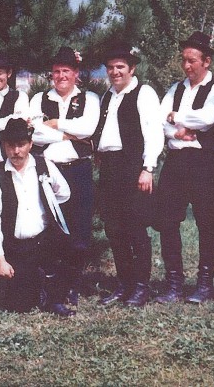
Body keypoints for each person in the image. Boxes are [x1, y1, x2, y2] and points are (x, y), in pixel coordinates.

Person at [154, 32, 214, 304]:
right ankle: (174, 283)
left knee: (207, 222)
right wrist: (178, 132)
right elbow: (159, 120)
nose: (186, 66)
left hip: (204, 161)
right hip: (176, 160)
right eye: (184, 60)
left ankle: (204, 283)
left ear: (206, 61)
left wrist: (176, 116)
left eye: (192, 61)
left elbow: (208, 118)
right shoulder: (175, 89)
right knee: (167, 221)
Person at [92, 41, 164, 307]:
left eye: (120, 67)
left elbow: (154, 132)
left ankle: (141, 287)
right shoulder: (107, 96)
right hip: (110, 167)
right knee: (114, 228)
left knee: (135, 228)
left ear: (132, 69)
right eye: (111, 67)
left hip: (132, 166)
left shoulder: (143, 93)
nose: (115, 72)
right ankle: (124, 284)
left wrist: (148, 168)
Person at [0, 118, 75, 317]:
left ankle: (54, 298)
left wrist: (47, 206)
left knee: (56, 273)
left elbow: (64, 193)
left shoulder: (44, 165)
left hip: (44, 240)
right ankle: (33, 289)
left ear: (30, 144)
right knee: (20, 305)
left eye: (21, 144)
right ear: (4, 146)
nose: (16, 151)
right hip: (16, 246)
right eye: (11, 145)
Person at [29, 46, 100, 305]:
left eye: (66, 71)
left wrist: (56, 123)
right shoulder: (39, 99)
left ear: (76, 73)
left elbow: (88, 128)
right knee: (50, 228)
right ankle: (49, 284)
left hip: (78, 169)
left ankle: (72, 284)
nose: (61, 76)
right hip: (48, 170)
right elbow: (34, 132)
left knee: (79, 229)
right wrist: (70, 135)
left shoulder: (89, 98)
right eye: (57, 71)